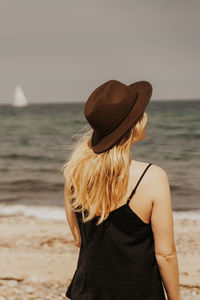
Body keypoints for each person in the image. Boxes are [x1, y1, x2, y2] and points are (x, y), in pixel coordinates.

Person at [62, 79, 180, 300]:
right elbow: (166, 254)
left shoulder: (75, 174)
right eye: (141, 112)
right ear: (134, 124)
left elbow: (80, 240)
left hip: (86, 292)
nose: (146, 116)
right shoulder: (152, 177)